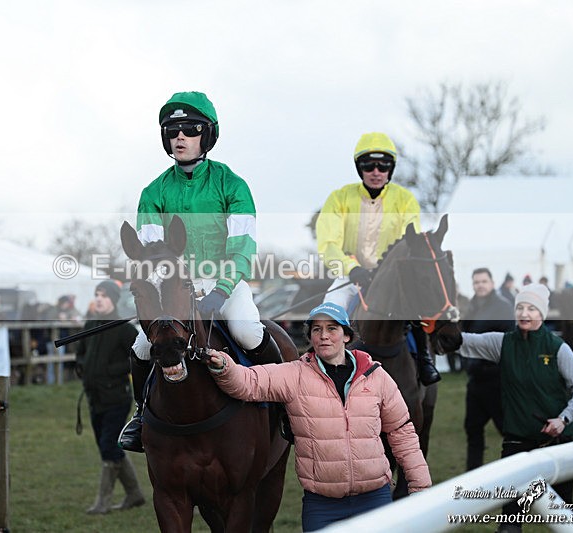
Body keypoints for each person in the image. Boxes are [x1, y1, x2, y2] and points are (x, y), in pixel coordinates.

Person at [120, 91, 277, 452]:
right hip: (175, 289)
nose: (180, 137)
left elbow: (242, 247)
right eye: (173, 130)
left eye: (190, 129)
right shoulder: (153, 192)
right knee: (142, 347)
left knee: (248, 331)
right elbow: (152, 254)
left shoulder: (232, 185)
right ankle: (142, 413)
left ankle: (287, 408)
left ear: (206, 136)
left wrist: (220, 291)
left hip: (226, 283)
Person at [204, 302, 431, 530]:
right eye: (316, 329)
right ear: (310, 337)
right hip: (322, 506)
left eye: (332, 329)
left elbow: (402, 433)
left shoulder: (376, 376)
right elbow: (249, 382)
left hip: (374, 500)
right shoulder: (294, 375)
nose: (324, 336)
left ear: (347, 336)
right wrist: (225, 367)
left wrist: (420, 486)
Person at [440, 283, 573, 531]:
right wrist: (443, 321)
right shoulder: (503, 343)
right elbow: (461, 341)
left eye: (531, 308)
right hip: (516, 443)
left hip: (558, 443)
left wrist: (563, 419)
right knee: (510, 519)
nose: (524, 313)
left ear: (541, 314)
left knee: (565, 516)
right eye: (520, 307)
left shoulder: (557, 348)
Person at [315, 132, 440, 386]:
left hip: (393, 277)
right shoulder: (339, 198)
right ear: (359, 168)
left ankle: (424, 359)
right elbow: (328, 245)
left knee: (416, 307)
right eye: (368, 165)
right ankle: (317, 370)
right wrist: (352, 268)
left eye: (383, 166)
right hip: (352, 276)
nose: (375, 171)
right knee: (328, 313)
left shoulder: (405, 199)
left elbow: (410, 243)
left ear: (390, 169)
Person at [76, 281, 144, 514]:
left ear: (113, 299)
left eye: (104, 295)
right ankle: (135, 494)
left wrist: (109, 371)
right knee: (108, 447)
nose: (99, 299)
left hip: (117, 397)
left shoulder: (125, 329)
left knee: (108, 445)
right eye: (97, 294)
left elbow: (137, 357)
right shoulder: (90, 325)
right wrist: (82, 369)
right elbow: (80, 354)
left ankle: (102, 503)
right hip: (94, 397)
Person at [460, 268, 514, 471]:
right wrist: (467, 364)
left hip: (497, 382)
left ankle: (517, 473)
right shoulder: (471, 307)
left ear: (492, 282)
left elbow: (511, 341)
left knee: (507, 432)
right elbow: (463, 337)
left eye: (483, 281)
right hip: (475, 381)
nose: (480, 285)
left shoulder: (503, 307)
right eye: (476, 282)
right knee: (472, 431)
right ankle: (472, 477)